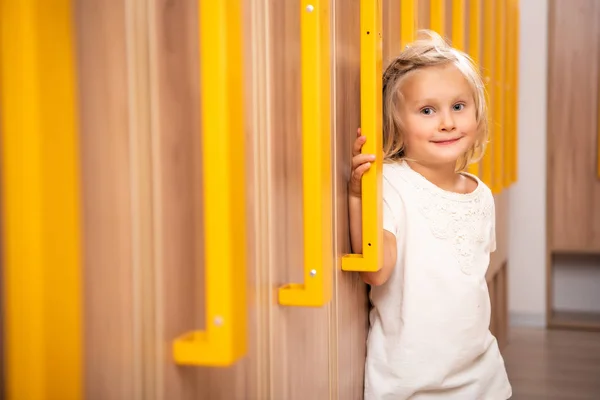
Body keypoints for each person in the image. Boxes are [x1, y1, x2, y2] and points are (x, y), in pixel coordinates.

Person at [348, 30, 512, 399]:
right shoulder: (391, 183)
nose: (447, 122)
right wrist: (359, 196)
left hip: (480, 376)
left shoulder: (481, 195)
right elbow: (377, 270)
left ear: (477, 111)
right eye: (427, 111)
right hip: (411, 382)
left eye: (458, 106)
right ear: (397, 126)